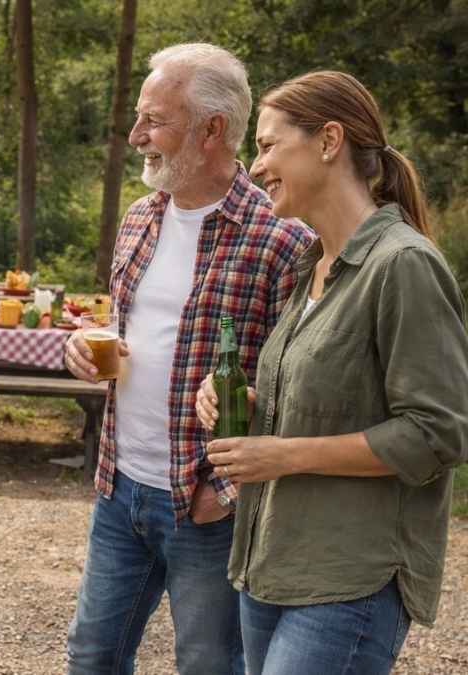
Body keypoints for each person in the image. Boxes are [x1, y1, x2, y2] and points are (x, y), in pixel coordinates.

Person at [195, 70, 468, 675]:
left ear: (329, 141)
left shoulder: (403, 265)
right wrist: (234, 396)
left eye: (268, 146)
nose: (256, 165)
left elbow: (437, 433)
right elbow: (322, 392)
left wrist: (285, 455)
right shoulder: (310, 265)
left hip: (351, 578)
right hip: (271, 562)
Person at [60, 43, 314, 674]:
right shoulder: (139, 218)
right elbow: (133, 332)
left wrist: (224, 492)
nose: (136, 134)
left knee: (207, 664)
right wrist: (87, 349)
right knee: (91, 656)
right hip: (120, 487)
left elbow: (299, 387)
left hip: (204, 502)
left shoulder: (283, 239)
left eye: (154, 120)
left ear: (212, 129)